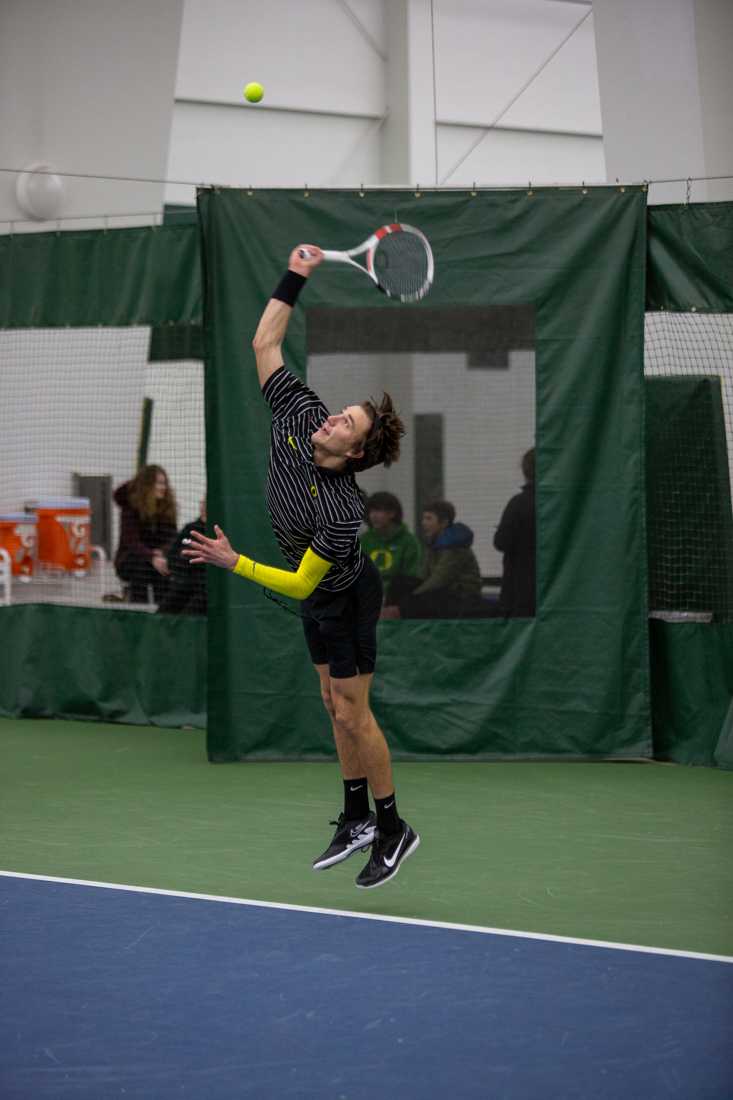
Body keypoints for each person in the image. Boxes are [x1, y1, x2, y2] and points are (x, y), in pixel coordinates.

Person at [183, 244, 420, 889]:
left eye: (351, 420)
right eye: (344, 410)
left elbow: (298, 583)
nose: (338, 413)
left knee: (353, 712)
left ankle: (393, 826)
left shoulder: (343, 509)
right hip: (319, 601)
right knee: (329, 702)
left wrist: (233, 562)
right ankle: (354, 816)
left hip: (347, 597)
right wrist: (295, 275)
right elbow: (264, 345)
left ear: (358, 450)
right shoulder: (299, 414)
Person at [393, 500, 482, 618]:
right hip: (445, 591)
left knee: (418, 600)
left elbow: (439, 578)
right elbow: (422, 575)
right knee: (400, 582)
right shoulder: (433, 544)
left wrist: (413, 596)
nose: (423, 523)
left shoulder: (454, 547)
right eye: (423, 518)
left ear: (444, 522)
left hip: (462, 595)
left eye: (429, 519)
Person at [113, 464, 177, 604]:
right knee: (142, 570)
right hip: (131, 559)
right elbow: (131, 541)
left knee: (166, 570)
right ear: (147, 485)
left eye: (164, 483)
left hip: (158, 558)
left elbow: (173, 537)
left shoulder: (167, 507)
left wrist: (162, 552)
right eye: (159, 483)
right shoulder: (131, 506)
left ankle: (164, 615)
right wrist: (151, 556)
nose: (163, 487)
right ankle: (138, 614)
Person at [359, 491, 423, 607]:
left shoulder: (409, 542)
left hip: (395, 599)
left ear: (392, 513)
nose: (373, 516)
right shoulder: (365, 540)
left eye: (378, 511)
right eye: (371, 511)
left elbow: (411, 577)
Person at [494, 447, 536, 618]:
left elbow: (501, 542)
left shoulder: (519, 504)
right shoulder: (566, 505)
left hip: (521, 590)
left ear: (526, 471)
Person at [157, 497, 208, 616]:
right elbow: (172, 555)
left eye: (206, 503)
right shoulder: (190, 528)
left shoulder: (219, 531)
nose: (203, 506)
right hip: (184, 581)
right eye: (202, 503)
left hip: (204, 587)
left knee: (189, 613)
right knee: (165, 611)